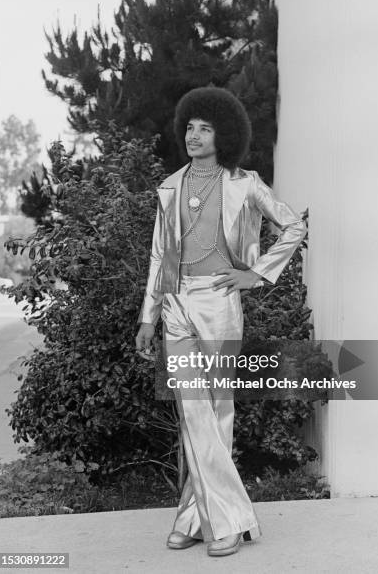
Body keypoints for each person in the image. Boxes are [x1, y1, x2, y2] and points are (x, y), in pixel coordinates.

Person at [135, 87, 306, 557]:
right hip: (175, 304)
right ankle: (215, 517)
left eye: (205, 128)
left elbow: (294, 225)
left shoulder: (244, 183)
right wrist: (149, 316)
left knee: (218, 410)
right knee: (192, 413)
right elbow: (158, 255)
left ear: (223, 134)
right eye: (189, 127)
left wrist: (255, 274)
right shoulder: (170, 186)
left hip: (219, 301)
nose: (194, 135)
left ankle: (205, 518)